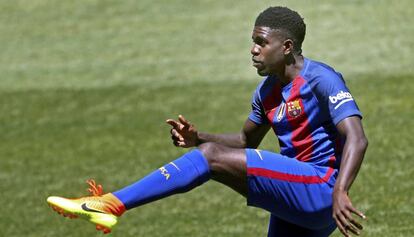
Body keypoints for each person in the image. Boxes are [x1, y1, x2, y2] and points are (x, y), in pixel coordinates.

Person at [47, 6, 368, 237]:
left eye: (261, 42)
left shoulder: (321, 79)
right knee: (209, 151)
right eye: (252, 41)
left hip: (324, 190)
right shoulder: (266, 91)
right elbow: (245, 142)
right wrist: (198, 137)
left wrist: (340, 191)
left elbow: (357, 138)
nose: (253, 50)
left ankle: (111, 204)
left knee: (210, 159)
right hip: (298, 198)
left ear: (285, 47)